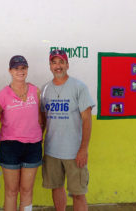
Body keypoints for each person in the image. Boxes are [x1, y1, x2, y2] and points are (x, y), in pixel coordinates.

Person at [41, 50, 95, 211]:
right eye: (54, 62)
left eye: (61, 62)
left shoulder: (79, 87)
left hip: (74, 152)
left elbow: (87, 119)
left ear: (67, 65)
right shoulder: (45, 89)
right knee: (57, 188)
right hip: (51, 152)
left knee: (78, 193)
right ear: (50, 66)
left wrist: (83, 149)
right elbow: (43, 121)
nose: (58, 66)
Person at [0, 55, 43, 211]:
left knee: (27, 190)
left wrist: (39, 136)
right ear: (10, 71)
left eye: (23, 68)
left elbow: (42, 118)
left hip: (33, 146)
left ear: (27, 70)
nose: (20, 71)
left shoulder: (36, 91)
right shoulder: (3, 95)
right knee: (11, 191)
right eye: (16, 68)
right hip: (10, 147)